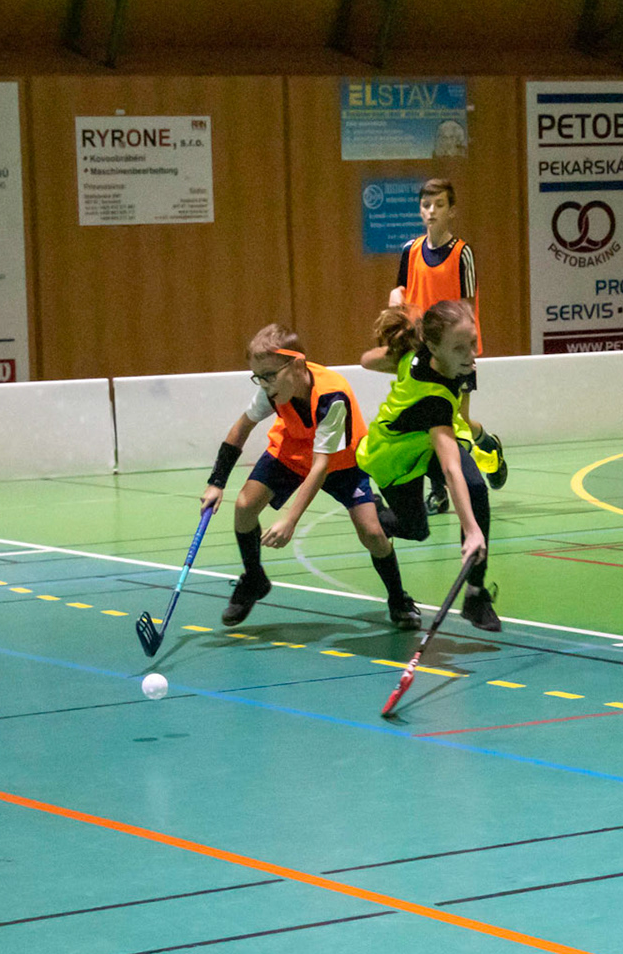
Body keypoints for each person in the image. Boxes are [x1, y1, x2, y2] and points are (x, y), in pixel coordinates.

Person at [199, 326, 419, 630]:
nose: (264, 384)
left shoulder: (332, 395)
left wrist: (290, 520)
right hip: (292, 450)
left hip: (341, 462)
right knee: (245, 506)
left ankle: (398, 598)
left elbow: (321, 466)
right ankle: (254, 578)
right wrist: (216, 482)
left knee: (372, 535)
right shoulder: (271, 391)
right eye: (258, 377)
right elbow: (242, 427)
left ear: (298, 365)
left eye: (269, 375)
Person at [359, 300, 500, 632]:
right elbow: (450, 468)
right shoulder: (432, 398)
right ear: (434, 348)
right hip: (398, 453)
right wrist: (472, 530)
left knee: (476, 488)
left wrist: (398, 353)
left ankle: (475, 594)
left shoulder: (432, 357)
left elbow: (366, 360)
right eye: (459, 348)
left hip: (432, 439)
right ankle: (373, 513)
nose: (471, 355)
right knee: (415, 530)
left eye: (473, 343)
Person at [388, 178, 505, 510]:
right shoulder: (410, 250)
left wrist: (454, 344)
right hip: (420, 351)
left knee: (457, 424)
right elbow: (400, 290)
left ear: (452, 211)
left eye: (439, 205)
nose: (432, 211)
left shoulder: (462, 253)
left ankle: (489, 446)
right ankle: (439, 491)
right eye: (426, 205)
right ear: (419, 210)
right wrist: (396, 301)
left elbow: (467, 307)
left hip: (455, 354)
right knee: (427, 424)